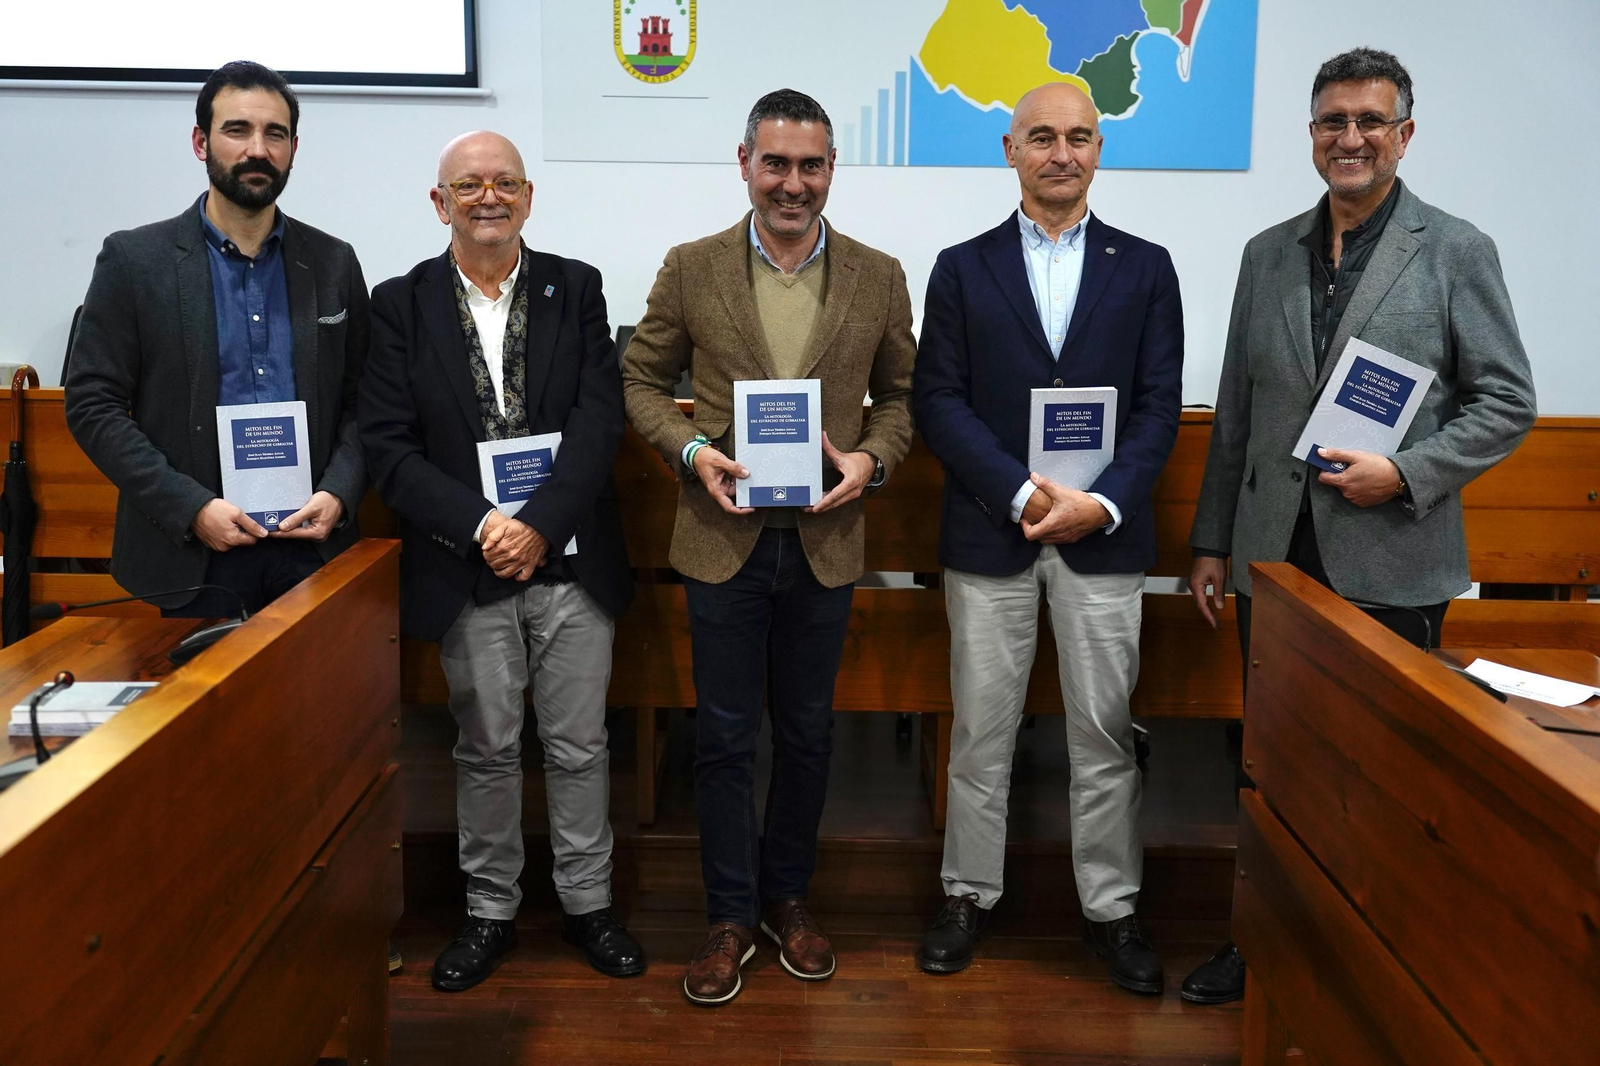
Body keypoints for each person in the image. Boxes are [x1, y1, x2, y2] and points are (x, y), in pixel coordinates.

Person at [1183, 47, 1537, 1005]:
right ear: (1310, 138)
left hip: (1394, 559)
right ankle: (1259, 944)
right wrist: (1213, 540)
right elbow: (1238, 409)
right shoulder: (1268, 253)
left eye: (1370, 122)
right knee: (1274, 762)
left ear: (1404, 135)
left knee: (1380, 776)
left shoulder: (1456, 248)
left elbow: (1507, 401)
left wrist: (1408, 471)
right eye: (1333, 122)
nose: (1350, 138)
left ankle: (1372, 965)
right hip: (1273, 559)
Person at [622, 89, 916, 1006]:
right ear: (744, 162)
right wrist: (694, 452)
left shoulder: (878, 273)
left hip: (826, 542)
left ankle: (789, 897)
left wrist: (870, 459)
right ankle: (727, 915)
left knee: (809, 734)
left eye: (812, 165)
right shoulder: (692, 265)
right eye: (776, 163)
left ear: (833, 170)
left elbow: (903, 397)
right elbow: (637, 377)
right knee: (720, 736)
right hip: (722, 540)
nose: (794, 183)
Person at [911, 82, 1184, 995]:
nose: (1061, 152)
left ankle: (1111, 910)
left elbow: (1157, 410)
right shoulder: (961, 266)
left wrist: (1097, 505)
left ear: (1099, 148)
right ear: (1010, 150)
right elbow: (938, 401)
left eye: (1078, 137)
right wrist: (1025, 493)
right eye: (1041, 137)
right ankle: (966, 896)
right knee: (981, 734)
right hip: (994, 536)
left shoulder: (1146, 267)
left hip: (1102, 542)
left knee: (1105, 737)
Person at [358, 131, 642, 993]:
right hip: (465, 561)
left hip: (569, 562)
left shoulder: (576, 287)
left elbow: (601, 422)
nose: (490, 197)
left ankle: (588, 905)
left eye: (505, 183)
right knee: (484, 748)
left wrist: (540, 527)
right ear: (440, 203)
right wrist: (486, 525)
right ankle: (490, 912)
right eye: (469, 185)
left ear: (528, 196)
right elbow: (388, 447)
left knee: (581, 745)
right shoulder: (398, 304)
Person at [66, 60, 369, 622]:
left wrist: (341, 491)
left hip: (313, 547)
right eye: (237, 130)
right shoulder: (135, 261)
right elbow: (92, 405)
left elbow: (365, 399)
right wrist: (190, 507)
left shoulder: (333, 262)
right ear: (201, 142)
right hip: (192, 552)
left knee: (315, 711)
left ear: (293, 148)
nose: (258, 149)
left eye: (274, 133)